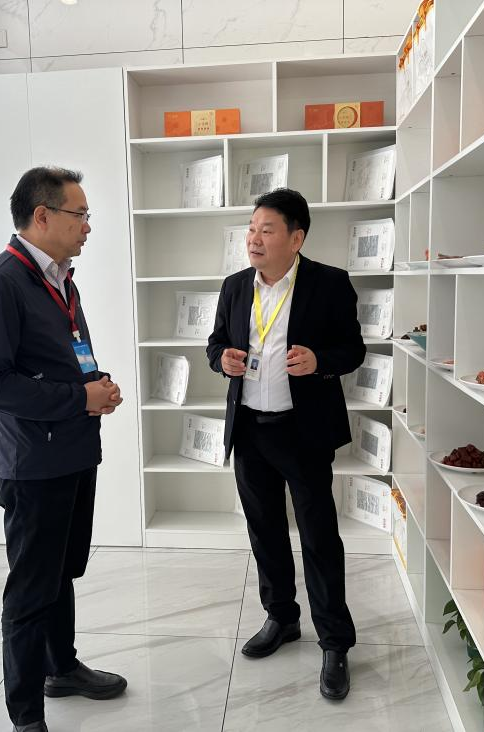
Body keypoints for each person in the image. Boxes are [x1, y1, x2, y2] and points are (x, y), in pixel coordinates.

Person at [0, 166, 127, 732]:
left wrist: (95, 385)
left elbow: (61, 355)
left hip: (74, 450)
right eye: (80, 214)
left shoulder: (61, 279)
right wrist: (79, 398)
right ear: (42, 216)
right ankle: (26, 715)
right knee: (32, 589)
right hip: (34, 464)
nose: (88, 226)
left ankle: (63, 668)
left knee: (62, 572)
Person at [206, 187, 365, 700]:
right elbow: (215, 343)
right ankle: (281, 617)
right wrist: (222, 360)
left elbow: (353, 349)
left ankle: (335, 642)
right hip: (251, 429)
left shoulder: (329, 283)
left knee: (319, 536)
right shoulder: (235, 287)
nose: (254, 239)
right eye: (251, 229)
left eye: (266, 230)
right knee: (265, 530)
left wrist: (320, 361)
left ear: (296, 238)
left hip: (303, 431)